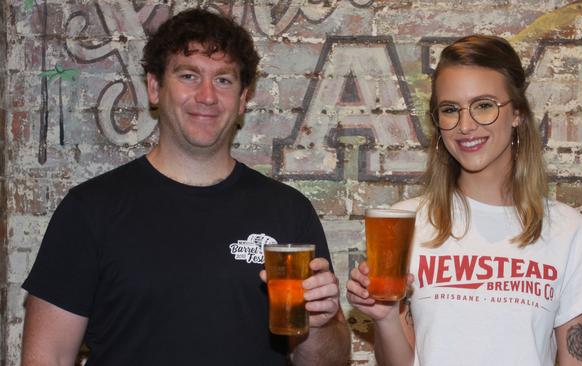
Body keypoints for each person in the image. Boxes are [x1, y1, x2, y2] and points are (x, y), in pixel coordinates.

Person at [21, 9, 350, 366]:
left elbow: (326, 363)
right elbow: (47, 357)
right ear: (154, 87)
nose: (207, 96)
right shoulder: (90, 210)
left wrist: (320, 322)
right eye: (189, 75)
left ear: (243, 98)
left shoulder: (288, 211)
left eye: (223, 80)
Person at [346, 35, 582, 366]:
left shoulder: (568, 229)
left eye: (484, 105)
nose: (466, 125)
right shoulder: (403, 224)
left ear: (516, 113)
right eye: (450, 110)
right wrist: (385, 317)